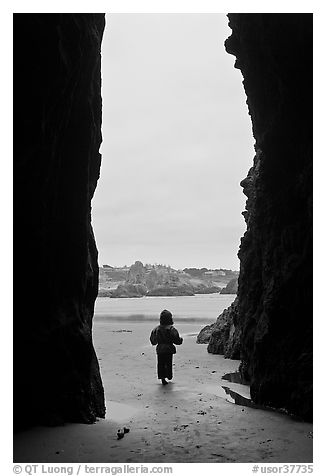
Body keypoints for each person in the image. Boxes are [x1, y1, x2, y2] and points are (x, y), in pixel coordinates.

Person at [150, 309, 183, 385]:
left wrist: (155, 342)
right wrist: (180, 340)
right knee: (168, 363)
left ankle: (162, 378)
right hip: (168, 349)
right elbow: (177, 340)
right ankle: (169, 376)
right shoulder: (172, 329)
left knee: (161, 364)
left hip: (160, 349)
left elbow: (153, 340)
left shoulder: (156, 329)